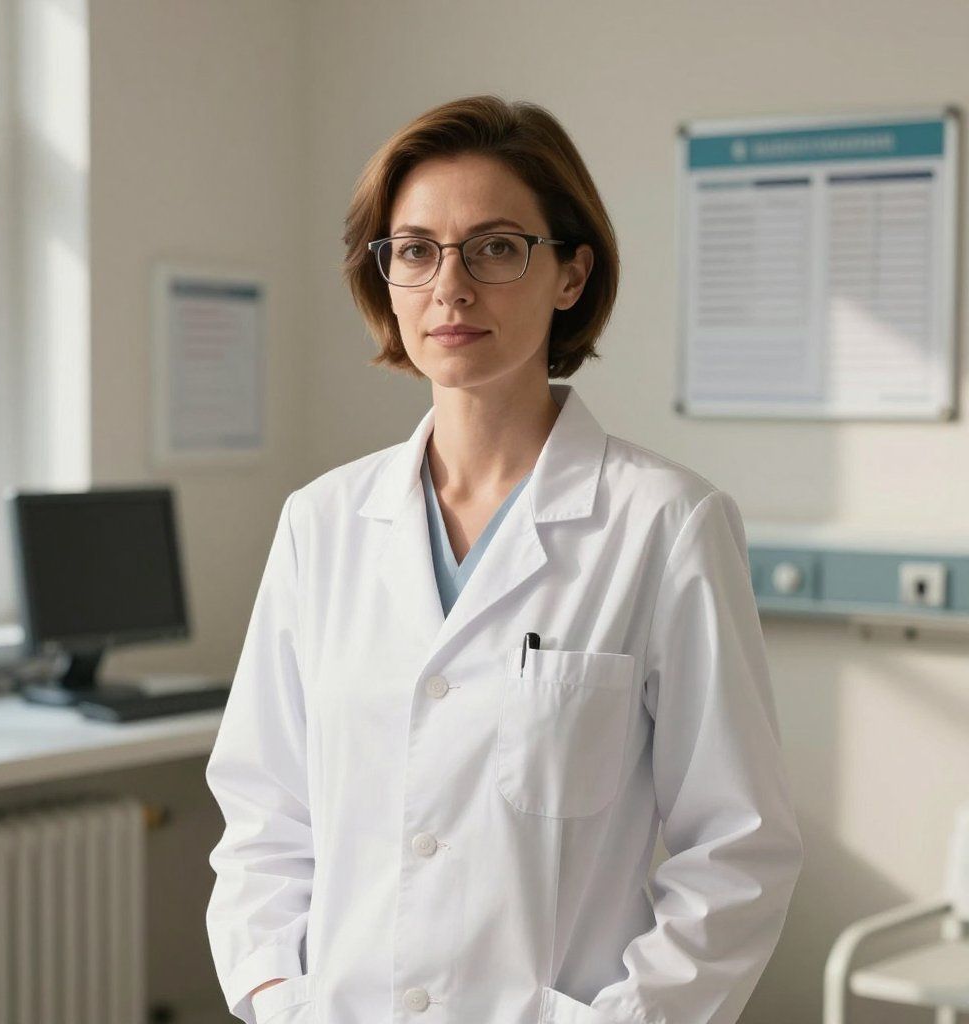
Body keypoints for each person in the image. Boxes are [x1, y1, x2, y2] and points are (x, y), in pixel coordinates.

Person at [205, 94, 804, 1024]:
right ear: (385, 278)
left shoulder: (665, 524)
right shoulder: (320, 523)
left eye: (494, 248)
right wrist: (279, 997)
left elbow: (737, 846)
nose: (450, 287)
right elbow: (264, 815)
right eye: (415, 250)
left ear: (571, 274)